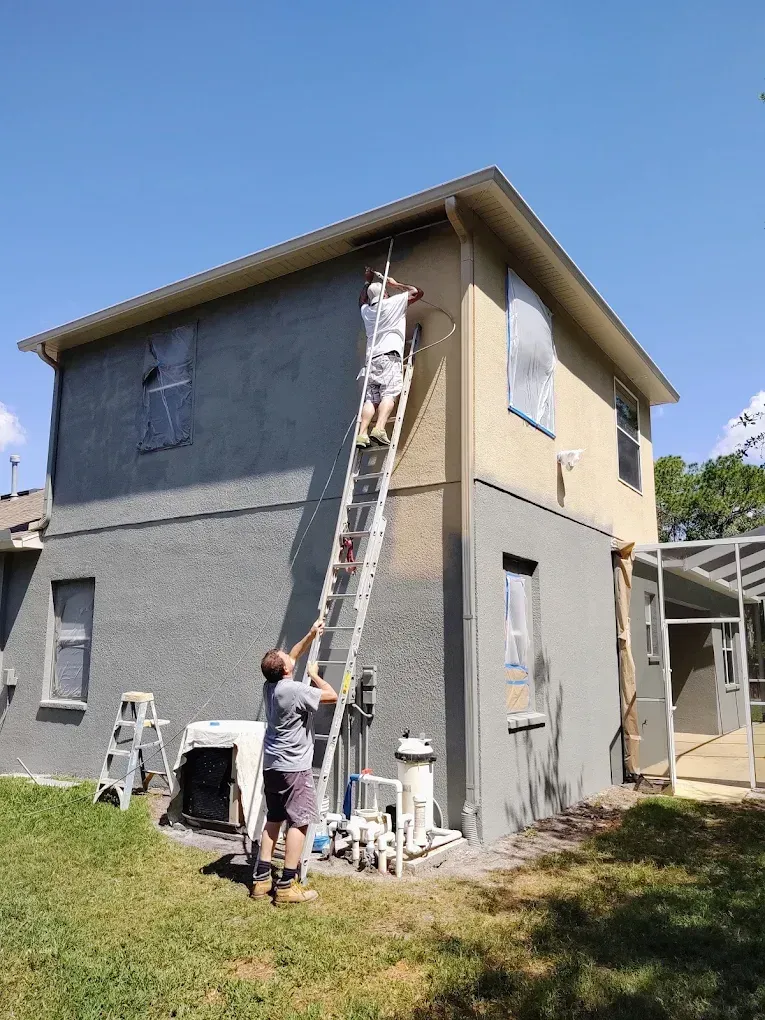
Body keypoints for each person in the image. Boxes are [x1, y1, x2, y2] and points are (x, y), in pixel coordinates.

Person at [252, 618, 337, 905]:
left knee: (274, 818)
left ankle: (261, 880)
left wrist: (311, 634)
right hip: (294, 768)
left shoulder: (271, 687)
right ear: (286, 669)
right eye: (285, 656)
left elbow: (293, 655)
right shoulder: (297, 690)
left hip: (272, 765)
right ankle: (287, 884)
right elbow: (331, 696)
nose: (289, 654)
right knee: (299, 823)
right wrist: (314, 675)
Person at [357, 266, 423, 448]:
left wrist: (367, 281)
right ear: (385, 294)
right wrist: (395, 284)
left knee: (371, 399)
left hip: (371, 361)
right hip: (389, 357)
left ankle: (362, 434)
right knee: (389, 393)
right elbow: (417, 292)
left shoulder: (366, 312)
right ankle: (379, 428)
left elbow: (361, 300)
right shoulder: (392, 303)